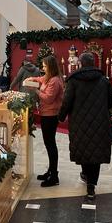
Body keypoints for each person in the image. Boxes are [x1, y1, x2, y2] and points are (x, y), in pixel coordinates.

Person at [58, 52, 112, 201]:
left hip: (79, 123)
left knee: (84, 149)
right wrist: (102, 108)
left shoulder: (74, 81)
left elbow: (67, 101)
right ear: (93, 63)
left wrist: (61, 116)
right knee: (95, 152)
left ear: (81, 64)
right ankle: (91, 185)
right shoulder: (103, 80)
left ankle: (85, 173)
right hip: (99, 122)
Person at [28, 55, 65, 187]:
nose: (42, 68)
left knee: (50, 144)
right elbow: (40, 78)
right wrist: (31, 78)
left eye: (44, 66)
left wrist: (35, 90)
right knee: (48, 143)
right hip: (46, 114)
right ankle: (50, 171)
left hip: (51, 115)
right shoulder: (48, 77)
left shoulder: (54, 80)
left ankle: (54, 176)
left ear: (50, 67)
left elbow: (48, 98)